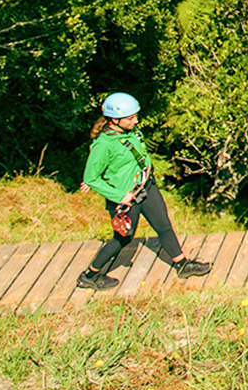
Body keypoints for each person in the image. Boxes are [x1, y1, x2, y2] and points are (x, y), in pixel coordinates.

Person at [76, 92, 212, 289]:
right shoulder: (103, 145)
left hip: (146, 186)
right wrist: (119, 196)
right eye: (130, 118)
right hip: (126, 198)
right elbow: (90, 178)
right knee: (124, 238)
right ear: (114, 120)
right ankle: (90, 275)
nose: (136, 120)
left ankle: (182, 264)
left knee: (163, 226)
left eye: (135, 116)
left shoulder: (131, 131)